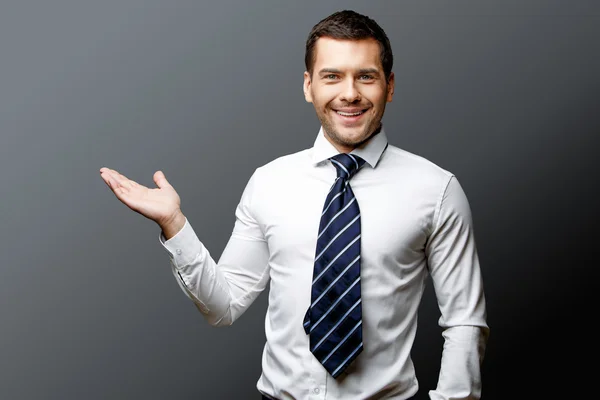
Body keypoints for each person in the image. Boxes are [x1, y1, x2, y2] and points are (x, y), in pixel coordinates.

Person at [99, 9, 489, 400]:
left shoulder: (436, 190)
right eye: (332, 76)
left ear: (389, 86)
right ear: (308, 85)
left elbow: (464, 321)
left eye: (365, 76)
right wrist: (174, 224)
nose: (349, 93)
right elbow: (224, 306)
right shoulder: (269, 183)